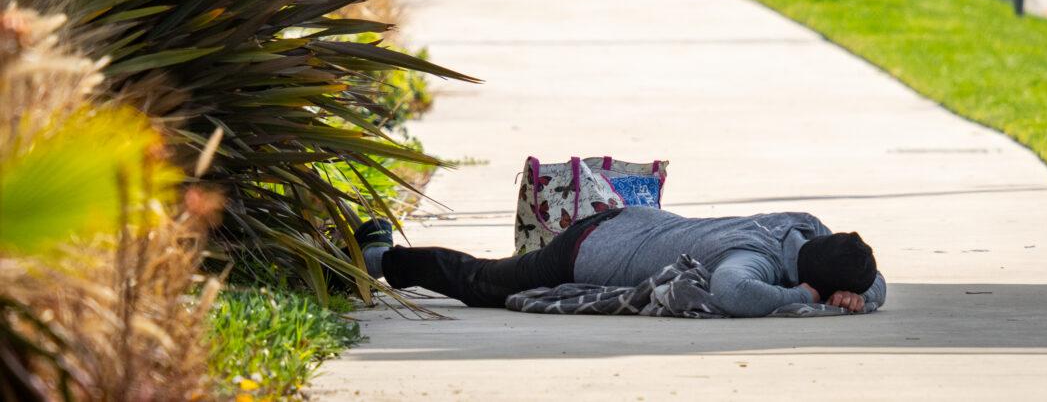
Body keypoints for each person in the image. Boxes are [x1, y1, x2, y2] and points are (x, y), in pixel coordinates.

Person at [350, 208, 885, 318]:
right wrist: (807, 298)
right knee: (484, 282)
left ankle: (379, 251)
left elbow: (875, 280)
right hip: (588, 251)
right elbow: (734, 293)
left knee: (492, 275)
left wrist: (864, 292)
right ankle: (376, 255)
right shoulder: (753, 260)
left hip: (633, 220)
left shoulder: (805, 227)